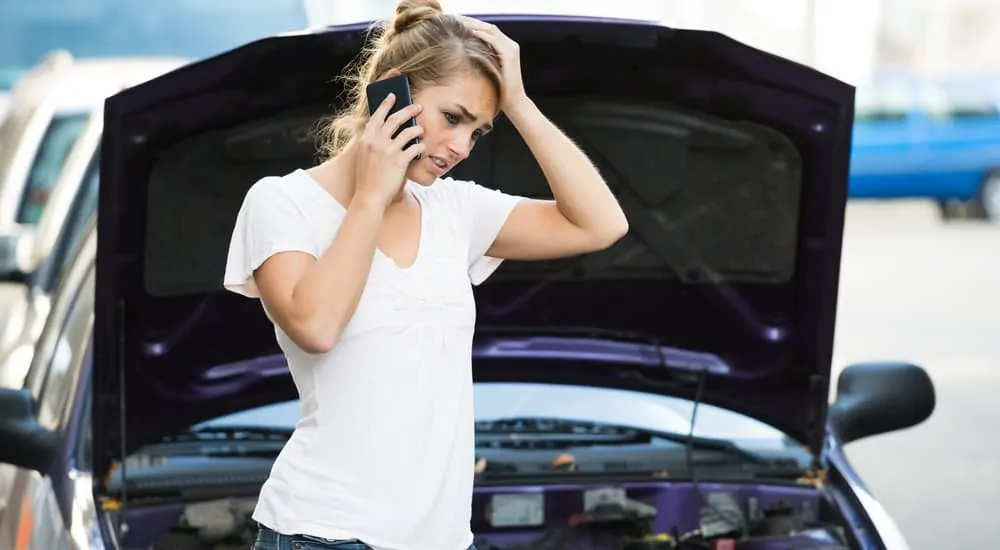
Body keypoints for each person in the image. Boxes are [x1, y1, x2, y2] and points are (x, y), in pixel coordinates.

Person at [223, 1, 629, 549]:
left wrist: (521, 103)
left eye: (479, 132)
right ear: (391, 94)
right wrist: (372, 194)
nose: (461, 148)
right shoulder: (282, 203)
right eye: (454, 118)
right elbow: (315, 326)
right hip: (323, 534)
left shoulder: (455, 211)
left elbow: (600, 225)